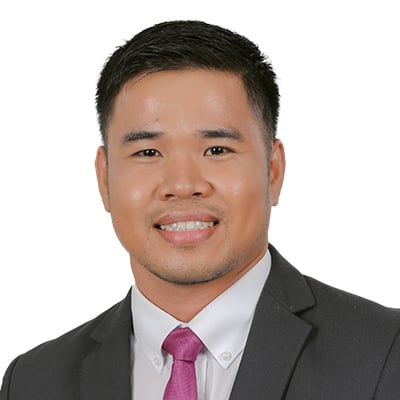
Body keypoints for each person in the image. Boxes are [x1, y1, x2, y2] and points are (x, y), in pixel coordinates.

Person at [1, 20, 399, 400]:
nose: (182, 184)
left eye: (217, 149)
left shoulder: (386, 353)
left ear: (273, 170)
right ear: (104, 178)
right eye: (148, 152)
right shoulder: (33, 382)